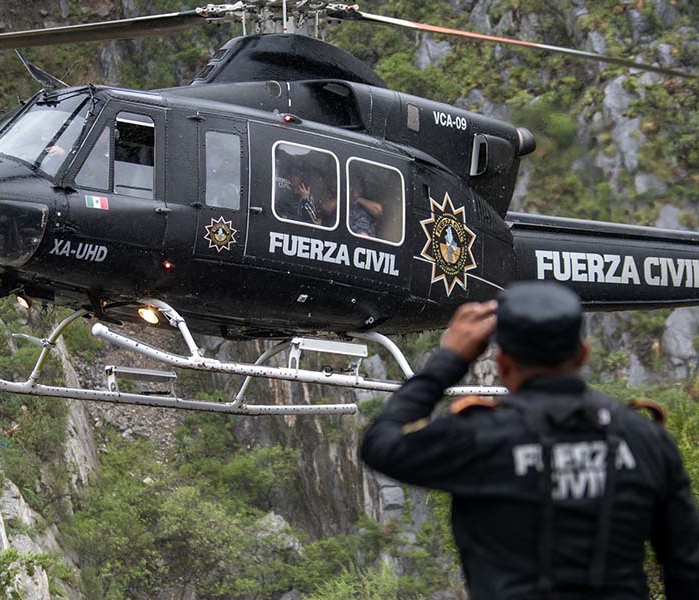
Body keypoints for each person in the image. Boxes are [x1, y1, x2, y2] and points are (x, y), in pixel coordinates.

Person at [361, 281, 699, 599]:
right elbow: (686, 568)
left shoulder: (479, 436)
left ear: (503, 362)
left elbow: (380, 445)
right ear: (582, 355)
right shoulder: (645, 438)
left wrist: (449, 361)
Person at [275, 159, 316, 223]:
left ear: (301, 177)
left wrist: (305, 199)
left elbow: (311, 220)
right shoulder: (283, 193)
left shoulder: (308, 196)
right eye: (290, 174)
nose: (291, 177)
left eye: (295, 174)